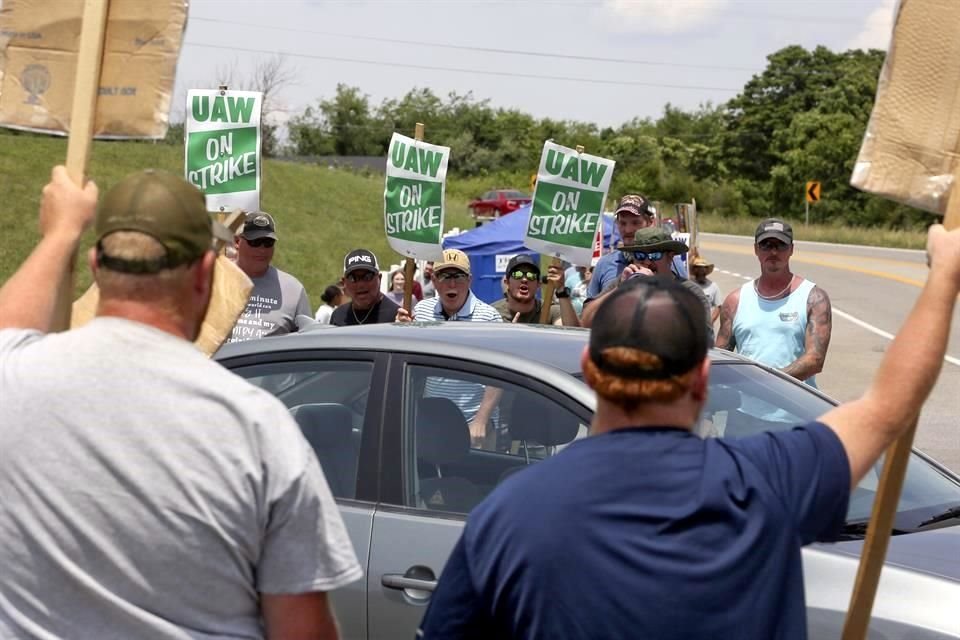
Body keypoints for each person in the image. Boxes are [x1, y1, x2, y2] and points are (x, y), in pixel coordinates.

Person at [417, 222, 960, 638]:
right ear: (703, 376)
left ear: (592, 371)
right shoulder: (765, 482)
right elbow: (889, 406)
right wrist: (944, 277)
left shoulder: (507, 514)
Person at [0, 167, 362, 639]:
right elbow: (302, 631)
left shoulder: (15, 381)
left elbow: (11, 328)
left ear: (95, 267)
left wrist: (60, 234)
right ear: (207, 277)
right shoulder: (259, 429)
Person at [397, 249, 502, 444]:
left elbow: (499, 376)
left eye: (458, 276)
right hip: (432, 422)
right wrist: (400, 331)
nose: (452, 284)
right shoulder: (422, 311)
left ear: (470, 280)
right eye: (445, 276)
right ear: (434, 280)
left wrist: (481, 420)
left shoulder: (489, 318)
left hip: (475, 426)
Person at [717, 218, 831, 387]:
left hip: (795, 410)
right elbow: (721, 358)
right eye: (766, 245)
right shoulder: (735, 301)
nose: (774, 252)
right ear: (756, 249)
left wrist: (766, 382)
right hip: (745, 410)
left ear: (791, 249)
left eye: (781, 245)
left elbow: (815, 360)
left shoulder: (813, 298)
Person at [580, 227, 714, 346]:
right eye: (640, 255)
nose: (647, 261)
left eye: (655, 255)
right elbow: (586, 320)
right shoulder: (622, 283)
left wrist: (656, 291)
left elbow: (704, 341)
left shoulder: (690, 292)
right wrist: (620, 289)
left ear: (670, 256)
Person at [228, 210, 311, 342]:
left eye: (268, 243)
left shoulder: (293, 290)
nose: (262, 249)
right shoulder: (212, 279)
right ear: (237, 242)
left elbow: (307, 341)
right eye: (254, 242)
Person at [585, 194, 686, 299]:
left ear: (651, 222)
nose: (628, 230)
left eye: (635, 223)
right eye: (622, 223)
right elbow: (587, 312)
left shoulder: (672, 262)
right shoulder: (604, 264)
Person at [491, 254, 578, 326]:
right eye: (517, 274)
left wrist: (561, 289)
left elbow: (572, 333)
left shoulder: (549, 310)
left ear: (538, 285)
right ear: (507, 283)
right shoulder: (492, 314)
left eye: (531, 275)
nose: (524, 279)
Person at [330, 249, 400, 326]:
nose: (361, 284)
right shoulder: (338, 316)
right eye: (352, 278)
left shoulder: (396, 317)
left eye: (368, 277)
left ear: (379, 278)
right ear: (344, 283)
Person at [691, 255, 721, 325]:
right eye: (698, 268)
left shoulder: (713, 286)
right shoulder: (689, 285)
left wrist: (711, 321)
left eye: (703, 268)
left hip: (706, 326)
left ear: (706, 270)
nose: (701, 270)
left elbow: (718, 306)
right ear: (694, 270)